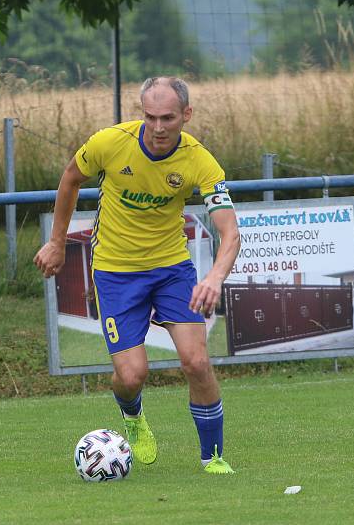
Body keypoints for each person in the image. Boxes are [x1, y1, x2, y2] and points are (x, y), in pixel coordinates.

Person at [34, 76, 241, 474]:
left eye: (168, 118)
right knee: (131, 376)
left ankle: (212, 457)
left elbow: (230, 231)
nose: (159, 127)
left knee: (197, 362)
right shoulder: (110, 143)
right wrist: (57, 242)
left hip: (171, 270)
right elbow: (70, 179)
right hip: (115, 271)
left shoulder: (200, 161)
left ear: (186, 114)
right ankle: (133, 415)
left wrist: (214, 277)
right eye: (150, 117)